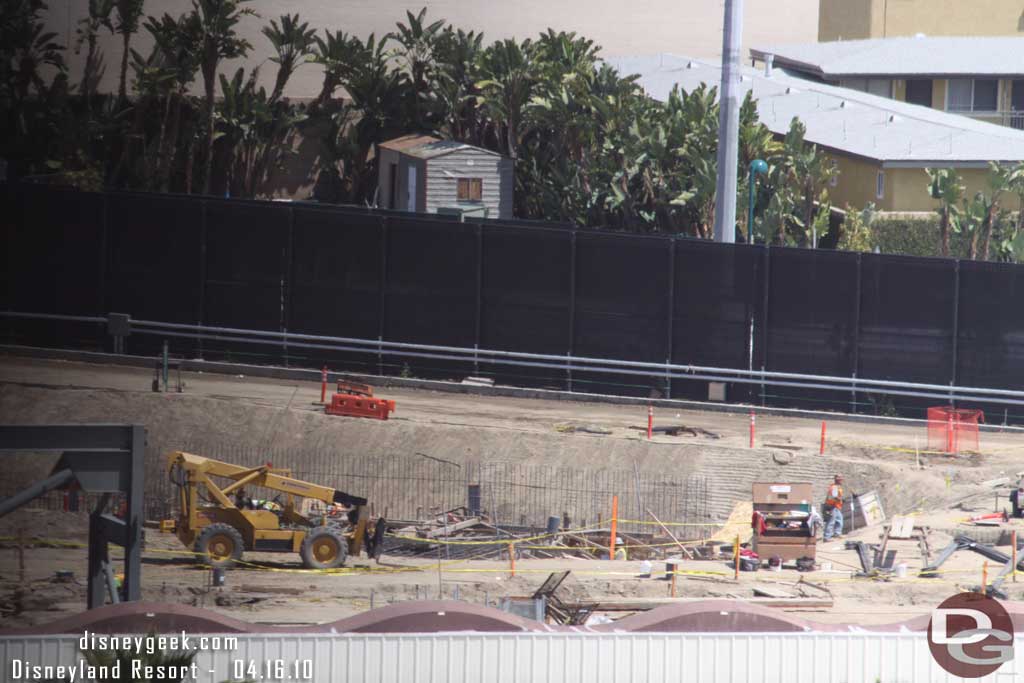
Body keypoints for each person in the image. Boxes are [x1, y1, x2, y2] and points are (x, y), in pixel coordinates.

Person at [823, 474, 845, 541]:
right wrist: (840, 499)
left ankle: (837, 533)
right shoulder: (834, 487)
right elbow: (832, 497)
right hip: (832, 506)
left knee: (839, 520)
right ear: (837, 479)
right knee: (831, 521)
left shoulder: (838, 487)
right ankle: (827, 537)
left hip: (836, 506)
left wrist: (840, 500)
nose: (842, 480)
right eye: (840, 479)